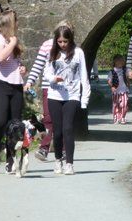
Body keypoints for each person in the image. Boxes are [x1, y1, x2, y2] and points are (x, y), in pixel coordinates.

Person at [42, 24, 90, 175]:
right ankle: (58, 160)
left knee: (68, 128)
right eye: (60, 41)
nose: (62, 44)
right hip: (54, 96)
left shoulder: (78, 53)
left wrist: (84, 100)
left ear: (70, 40)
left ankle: (69, 163)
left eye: (65, 41)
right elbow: (46, 73)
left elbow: (84, 77)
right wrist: (53, 79)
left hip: (72, 96)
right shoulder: (53, 53)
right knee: (57, 131)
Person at [0, 9, 26, 173]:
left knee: (15, 124)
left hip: (16, 85)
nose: (18, 24)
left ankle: (11, 159)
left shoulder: (12, 41)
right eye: (16, 21)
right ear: (10, 23)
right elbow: (0, 57)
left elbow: (14, 63)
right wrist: (13, 43)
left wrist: (22, 68)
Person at [24, 19, 71, 162]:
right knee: (49, 119)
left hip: (66, 89)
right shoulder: (47, 46)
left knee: (63, 121)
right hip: (49, 88)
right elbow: (38, 65)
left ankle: (62, 149)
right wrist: (30, 81)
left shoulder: (72, 47)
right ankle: (46, 148)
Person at [108, 54, 129, 124]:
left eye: (122, 61)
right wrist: (112, 86)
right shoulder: (112, 71)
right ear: (115, 62)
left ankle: (123, 117)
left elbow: (128, 77)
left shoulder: (125, 70)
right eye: (119, 60)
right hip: (116, 91)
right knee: (116, 105)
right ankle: (116, 117)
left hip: (124, 90)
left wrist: (129, 82)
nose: (121, 62)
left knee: (124, 104)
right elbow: (109, 81)